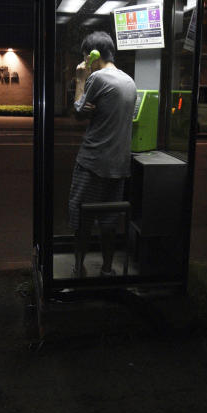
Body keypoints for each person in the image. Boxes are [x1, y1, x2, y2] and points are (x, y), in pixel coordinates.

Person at [68, 31, 137, 278]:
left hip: (92, 162)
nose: (85, 62)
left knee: (82, 217)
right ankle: (108, 269)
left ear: (93, 55)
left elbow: (78, 111)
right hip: (119, 164)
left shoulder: (97, 77)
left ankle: (78, 267)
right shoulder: (129, 81)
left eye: (86, 57)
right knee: (109, 220)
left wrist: (79, 79)